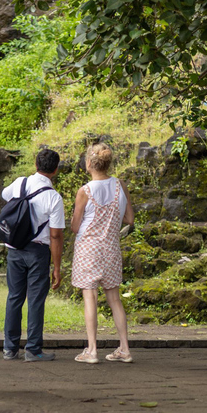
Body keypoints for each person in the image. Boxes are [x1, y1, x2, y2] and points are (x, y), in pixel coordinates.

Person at [71, 143, 134, 364]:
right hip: (111, 247)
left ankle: (92, 350)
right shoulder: (120, 185)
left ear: (89, 163)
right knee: (115, 299)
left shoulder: (85, 191)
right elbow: (129, 219)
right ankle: (124, 349)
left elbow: (75, 226)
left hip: (89, 248)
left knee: (90, 297)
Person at [1, 148, 65, 362]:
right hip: (38, 252)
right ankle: (33, 350)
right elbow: (55, 236)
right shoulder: (54, 198)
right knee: (36, 300)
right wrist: (56, 267)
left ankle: (9, 349)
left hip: (14, 249)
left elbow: (4, 196)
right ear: (55, 170)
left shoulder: (20, 183)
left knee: (14, 297)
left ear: (36, 165)